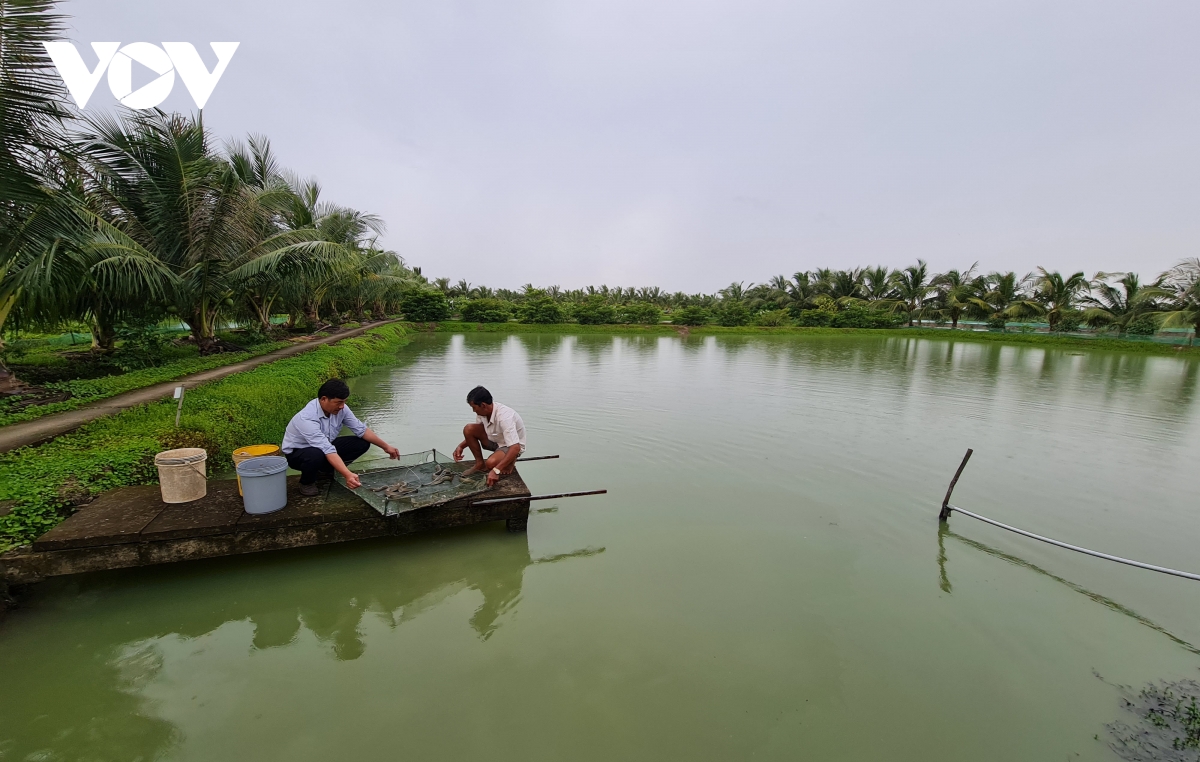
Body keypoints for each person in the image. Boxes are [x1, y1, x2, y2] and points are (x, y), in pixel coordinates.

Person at [282, 379, 399, 496]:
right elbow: (327, 449)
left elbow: (361, 430)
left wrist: (386, 447)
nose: (342, 406)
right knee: (315, 454)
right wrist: (347, 474)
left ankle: (327, 471)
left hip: (325, 447)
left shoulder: (341, 409)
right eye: (338, 402)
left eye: (344, 402)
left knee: (362, 443)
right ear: (324, 399)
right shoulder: (307, 418)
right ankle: (306, 482)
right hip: (298, 454)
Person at [453, 386, 526, 487]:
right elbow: (478, 431)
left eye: (474, 407)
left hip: (510, 446)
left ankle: (510, 461)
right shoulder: (482, 413)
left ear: (483, 405)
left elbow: (515, 447)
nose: (473, 411)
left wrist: (496, 470)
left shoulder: (504, 417)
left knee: (491, 464)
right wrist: (461, 446)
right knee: (469, 428)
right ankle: (479, 464)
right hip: (495, 440)